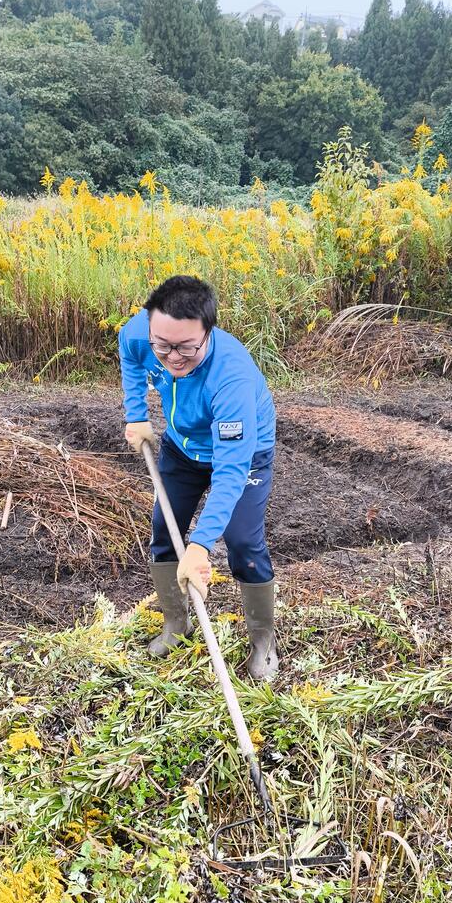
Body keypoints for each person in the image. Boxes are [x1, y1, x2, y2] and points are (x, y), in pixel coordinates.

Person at [118, 274, 278, 681]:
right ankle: (177, 622)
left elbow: (229, 473)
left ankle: (263, 639)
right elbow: (132, 358)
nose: (172, 357)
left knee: (243, 539)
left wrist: (201, 546)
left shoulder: (231, 378)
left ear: (208, 331)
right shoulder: (141, 335)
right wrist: (136, 414)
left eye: (186, 347)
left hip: (244, 454)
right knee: (163, 526)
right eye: (163, 346)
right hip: (183, 446)